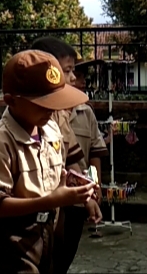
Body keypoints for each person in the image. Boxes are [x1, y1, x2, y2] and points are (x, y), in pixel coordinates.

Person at [0, 49, 100, 274]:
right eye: (42, 104)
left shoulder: (50, 129)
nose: (51, 110)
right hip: (13, 240)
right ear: (11, 101)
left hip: (48, 231)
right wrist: (50, 200)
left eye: (55, 102)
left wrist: (81, 192)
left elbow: (60, 171)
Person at [31, 38, 106, 274]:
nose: (74, 79)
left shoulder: (78, 114)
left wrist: (91, 190)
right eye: (68, 71)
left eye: (76, 73)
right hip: (37, 207)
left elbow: (84, 157)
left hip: (71, 199)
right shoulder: (25, 120)